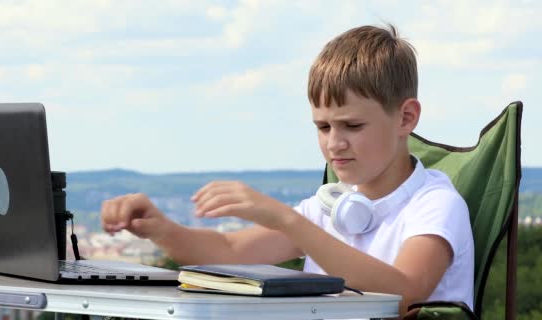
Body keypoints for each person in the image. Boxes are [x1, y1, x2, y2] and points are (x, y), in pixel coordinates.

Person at [100, 24, 474, 316]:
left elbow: (404, 293)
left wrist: (288, 221)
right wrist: (161, 229)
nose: (334, 143)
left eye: (352, 126)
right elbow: (227, 250)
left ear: (405, 117)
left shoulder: (436, 204)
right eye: (323, 127)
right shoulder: (327, 208)